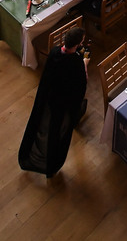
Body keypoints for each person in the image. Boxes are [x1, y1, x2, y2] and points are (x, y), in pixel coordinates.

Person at [18, 27, 88, 178]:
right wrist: (85, 64)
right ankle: (52, 164)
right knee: (57, 133)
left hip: (49, 97)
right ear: (76, 45)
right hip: (63, 103)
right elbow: (81, 84)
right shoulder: (75, 62)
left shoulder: (55, 51)